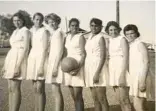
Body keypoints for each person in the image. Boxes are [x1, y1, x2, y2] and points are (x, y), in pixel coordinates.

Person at [1, 12, 31, 111]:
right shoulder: (14, 32)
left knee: (15, 87)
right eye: (14, 20)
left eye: (18, 20)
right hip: (11, 57)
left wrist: (18, 66)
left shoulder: (25, 31)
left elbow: (26, 49)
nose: (16, 22)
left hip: (19, 58)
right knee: (10, 88)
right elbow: (12, 48)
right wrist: (5, 65)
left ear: (23, 20)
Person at [105, 21, 132, 111]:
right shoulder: (110, 40)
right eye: (111, 30)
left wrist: (122, 75)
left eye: (115, 29)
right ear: (108, 31)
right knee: (119, 99)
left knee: (125, 100)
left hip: (121, 68)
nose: (113, 32)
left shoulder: (122, 39)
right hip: (113, 69)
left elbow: (126, 57)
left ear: (119, 30)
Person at [84, 18, 109, 111]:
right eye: (92, 25)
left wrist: (97, 73)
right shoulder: (89, 37)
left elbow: (103, 57)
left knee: (102, 98)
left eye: (96, 26)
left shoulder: (101, 38)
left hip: (98, 68)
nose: (94, 27)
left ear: (101, 27)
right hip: (89, 67)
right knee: (95, 98)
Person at [124, 24, 149, 111]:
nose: (129, 36)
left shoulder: (140, 44)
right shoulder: (131, 45)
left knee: (138, 105)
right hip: (134, 77)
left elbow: (146, 62)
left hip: (140, 76)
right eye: (127, 34)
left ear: (136, 33)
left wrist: (142, 81)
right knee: (141, 104)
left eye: (132, 33)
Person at [27, 13, 49, 111]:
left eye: (40, 19)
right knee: (35, 88)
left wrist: (41, 66)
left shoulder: (45, 31)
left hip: (41, 59)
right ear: (33, 19)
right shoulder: (30, 31)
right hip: (32, 58)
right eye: (36, 19)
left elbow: (45, 49)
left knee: (40, 88)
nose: (38, 21)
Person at [63, 18, 85, 111]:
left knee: (78, 95)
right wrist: (63, 65)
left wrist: (78, 68)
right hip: (68, 65)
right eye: (72, 25)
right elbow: (64, 52)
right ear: (69, 26)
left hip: (77, 65)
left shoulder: (80, 36)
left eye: (76, 25)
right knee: (73, 95)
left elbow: (84, 54)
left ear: (78, 26)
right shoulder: (66, 37)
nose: (74, 27)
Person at [45, 13, 64, 111]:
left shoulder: (59, 32)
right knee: (55, 90)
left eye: (53, 22)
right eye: (49, 22)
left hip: (57, 63)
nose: (52, 24)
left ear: (57, 22)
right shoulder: (54, 33)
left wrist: (56, 66)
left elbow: (60, 50)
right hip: (52, 62)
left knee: (56, 90)